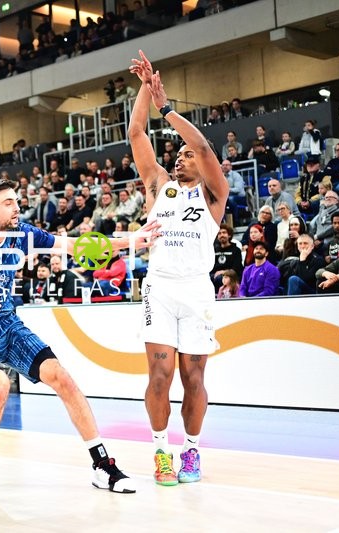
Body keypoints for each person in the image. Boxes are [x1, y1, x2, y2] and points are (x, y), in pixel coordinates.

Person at [0, 178, 156, 497]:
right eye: (8, 203)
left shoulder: (22, 235)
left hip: (8, 326)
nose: (17, 208)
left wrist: (133, 241)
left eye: (17, 201)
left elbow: (74, 246)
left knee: (62, 378)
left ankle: (103, 465)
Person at [129, 51, 229, 485]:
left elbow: (204, 146)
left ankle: (191, 451)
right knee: (160, 376)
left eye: (187, 155)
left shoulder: (213, 194)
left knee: (193, 377)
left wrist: (166, 108)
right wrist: (145, 88)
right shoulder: (159, 187)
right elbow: (136, 133)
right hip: (161, 288)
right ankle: (161, 452)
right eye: (179, 155)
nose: (181, 158)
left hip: (197, 291)